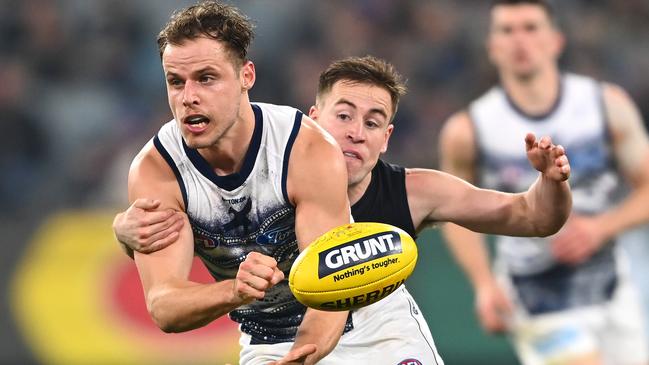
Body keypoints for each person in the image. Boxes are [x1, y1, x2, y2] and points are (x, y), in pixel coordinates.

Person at [115, 51, 573, 363]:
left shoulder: (414, 192)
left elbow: (532, 217)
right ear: (312, 120)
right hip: (274, 342)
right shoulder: (267, 172)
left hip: (381, 338)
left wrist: (551, 183)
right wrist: (124, 233)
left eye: (373, 122)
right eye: (344, 114)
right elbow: (190, 246)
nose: (356, 131)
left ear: (386, 138)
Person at [121, 2, 355, 364]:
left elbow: (332, 283)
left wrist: (302, 355)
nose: (188, 97)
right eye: (175, 81)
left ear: (247, 76)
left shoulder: (303, 148)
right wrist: (235, 291)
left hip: (361, 319)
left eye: (206, 78)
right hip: (267, 341)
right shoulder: (157, 171)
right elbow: (163, 306)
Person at [439, 1, 649, 364]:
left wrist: (601, 228)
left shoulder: (605, 104)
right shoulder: (469, 129)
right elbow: (452, 214)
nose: (520, 40)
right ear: (492, 47)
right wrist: (484, 284)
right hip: (534, 294)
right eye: (507, 30)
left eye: (531, 28)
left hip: (612, 286)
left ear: (556, 40)